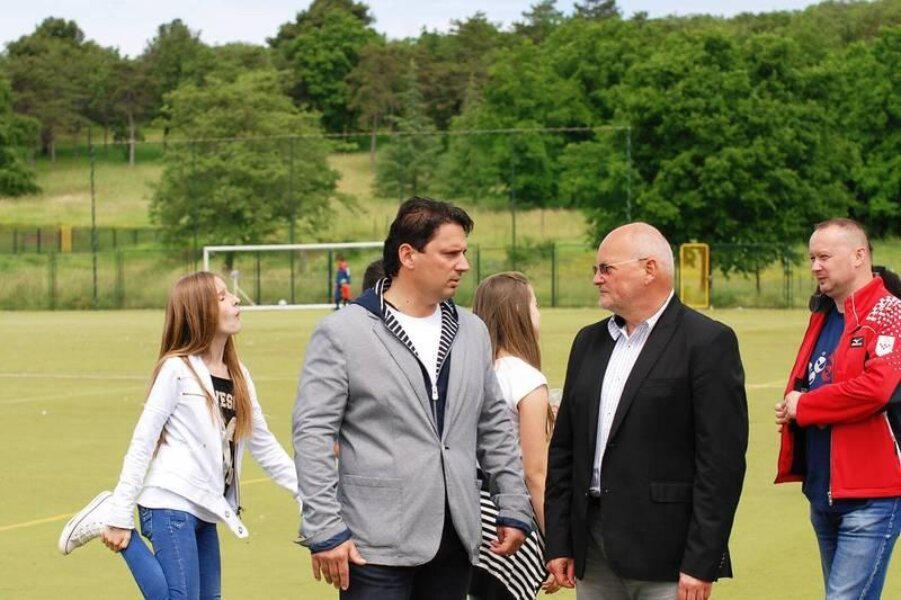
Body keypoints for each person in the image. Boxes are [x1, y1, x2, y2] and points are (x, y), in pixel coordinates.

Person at [293, 196, 532, 600]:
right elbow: (313, 434)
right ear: (408, 255)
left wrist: (513, 504)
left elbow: (493, 425)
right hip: (373, 544)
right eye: (450, 253)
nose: (463, 265)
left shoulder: (473, 331)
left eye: (464, 253)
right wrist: (324, 528)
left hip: (456, 538)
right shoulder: (343, 332)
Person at [57, 271, 301, 599]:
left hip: (205, 505)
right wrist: (120, 512)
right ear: (200, 312)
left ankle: (111, 517)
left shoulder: (239, 376)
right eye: (222, 297)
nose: (235, 300)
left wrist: (303, 492)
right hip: (169, 502)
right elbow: (143, 441)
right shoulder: (177, 370)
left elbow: (264, 444)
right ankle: (107, 517)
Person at [545, 222, 748, 600]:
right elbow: (564, 450)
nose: (596, 279)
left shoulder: (707, 341)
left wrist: (702, 561)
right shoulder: (588, 342)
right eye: (596, 270)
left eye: (606, 269)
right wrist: (559, 541)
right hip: (592, 551)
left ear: (649, 269)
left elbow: (721, 465)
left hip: (667, 554)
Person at [775, 218, 901, 600]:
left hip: (872, 495)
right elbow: (818, 379)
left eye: (825, 257)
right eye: (812, 258)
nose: (815, 266)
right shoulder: (825, 314)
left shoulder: (890, 312)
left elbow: (876, 390)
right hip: (824, 492)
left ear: (859, 256)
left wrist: (806, 406)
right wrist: (792, 406)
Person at [470, 272, 559, 600]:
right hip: (505, 517)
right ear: (519, 311)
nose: (539, 313)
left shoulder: (471, 371)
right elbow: (534, 474)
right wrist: (555, 545)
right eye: (535, 305)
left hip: (465, 513)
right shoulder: (526, 379)